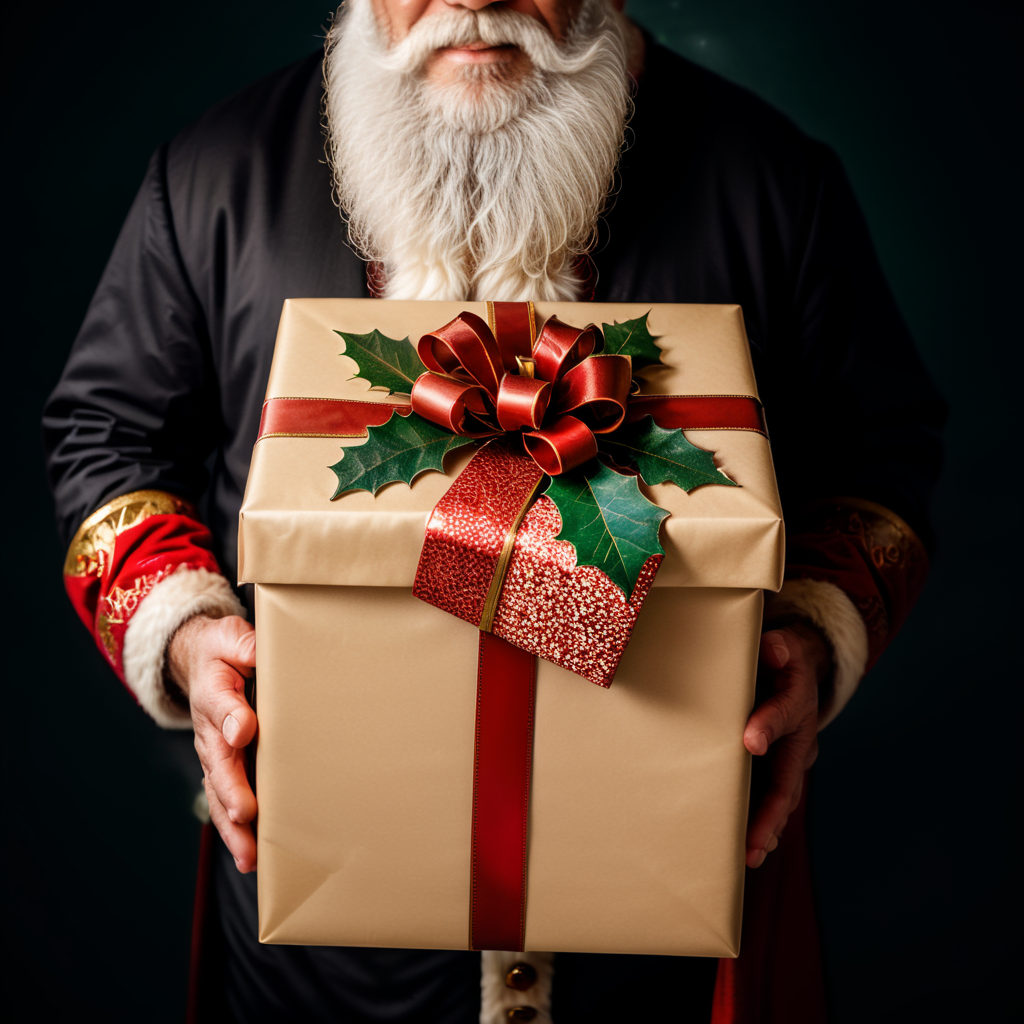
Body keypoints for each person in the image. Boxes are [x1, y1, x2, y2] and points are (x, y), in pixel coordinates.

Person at [44, 1, 945, 1021]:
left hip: (662, 954)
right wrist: (187, 632)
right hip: (322, 969)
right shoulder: (210, 177)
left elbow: (880, 456)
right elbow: (106, 438)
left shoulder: (774, 182)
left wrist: (811, 636)